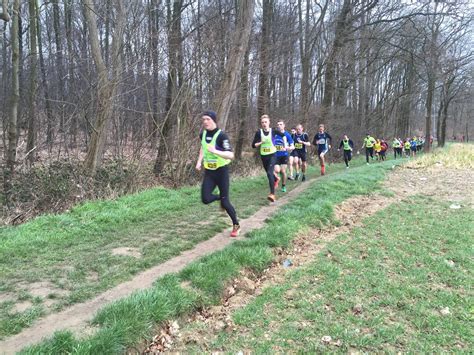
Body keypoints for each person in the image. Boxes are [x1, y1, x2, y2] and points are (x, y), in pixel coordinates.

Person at [196, 111, 240, 237]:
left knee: (226, 203)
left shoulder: (222, 136)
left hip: (221, 172)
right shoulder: (203, 134)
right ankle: (220, 197)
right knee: (205, 199)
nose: (205, 121)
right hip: (209, 172)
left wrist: (215, 151)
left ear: (214, 120)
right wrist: (199, 162)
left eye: (208, 119)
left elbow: (231, 155)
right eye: (203, 119)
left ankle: (236, 225)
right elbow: (203, 148)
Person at [252, 114, 278, 202]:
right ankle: (276, 179)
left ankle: (272, 194)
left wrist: (288, 144)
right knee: (269, 173)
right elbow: (253, 145)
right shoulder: (258, 132)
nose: (264, 124)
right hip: (264, 156)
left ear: (269, 122)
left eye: (266, 122)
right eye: (262, 122)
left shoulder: (273, 131)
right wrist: (260, 142)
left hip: (273, 154)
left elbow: (283, 135)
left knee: (269, 173)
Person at [274, 120, 294, 192]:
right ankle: (276, 180)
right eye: (278, 124)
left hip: (284, 155)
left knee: (283, 171)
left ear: (284, 125)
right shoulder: (275, 134)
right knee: (276, 170)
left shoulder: (287, 135)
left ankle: (283, 186)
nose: (279, 126)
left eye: (281, 124)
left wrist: (288, 148)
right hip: (275, 155)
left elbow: (292, 146)